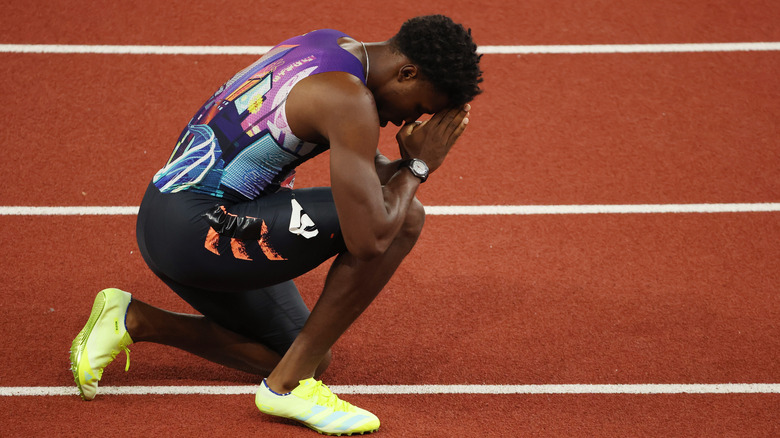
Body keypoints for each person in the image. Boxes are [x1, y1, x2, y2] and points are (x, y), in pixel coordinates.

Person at [70, 14, 482, 436]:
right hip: (199, 232)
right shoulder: (348, 99)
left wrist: (407, 168)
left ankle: (135, 319)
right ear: (407, 72)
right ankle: (286, 389)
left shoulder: (334, 48)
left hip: (168, 217)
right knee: (405, 219)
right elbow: (371, 237)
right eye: (417, 107)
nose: (402, 121)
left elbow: (366, 176)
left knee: (308, 355)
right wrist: (418, 166)